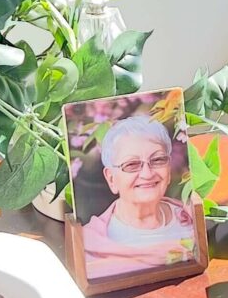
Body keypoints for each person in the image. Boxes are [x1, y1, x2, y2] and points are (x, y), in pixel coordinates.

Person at [80, 114, 198, 279]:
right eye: (132, 164)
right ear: (111, 178)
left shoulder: (193, 219)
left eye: (157, 160)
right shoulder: (89, 243)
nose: (147, 173)